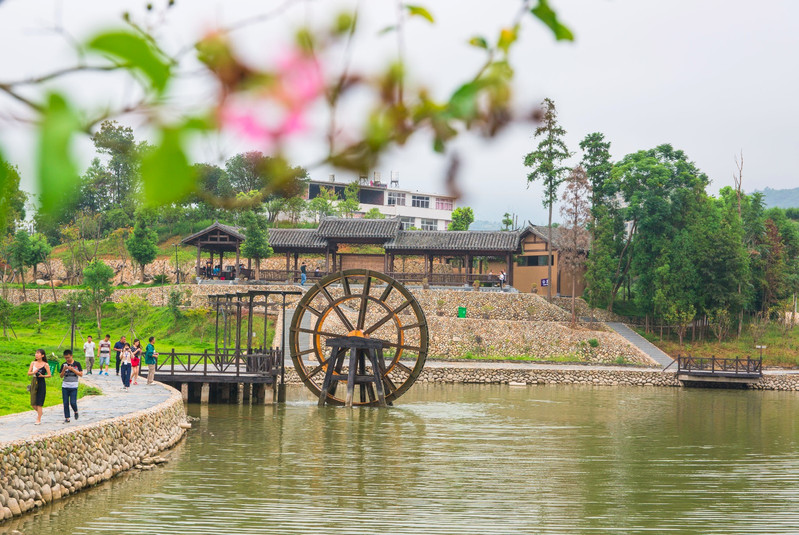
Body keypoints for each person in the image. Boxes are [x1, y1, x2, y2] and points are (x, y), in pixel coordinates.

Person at [28, 349, 51, 425]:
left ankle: (39, 419)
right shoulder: (33, 363)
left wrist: (43, 375)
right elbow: (28, 373)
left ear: (42, 355)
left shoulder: (45, 364)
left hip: (41, 382)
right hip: (34, 381)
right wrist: (33, 372)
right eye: (36, 353)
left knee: (39, 402)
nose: (36, 355)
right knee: (33, 403)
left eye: (38, 353)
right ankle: (40, 413)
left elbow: (49, 375)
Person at [60, 349, 83, 423]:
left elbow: (81, 374)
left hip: (73, 386)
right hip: (65, 386)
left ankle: (75, 411)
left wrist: (73, 370)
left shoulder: (77, 364)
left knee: (73, 402)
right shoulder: (63, 364)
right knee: (65, 402)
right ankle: (67, 418)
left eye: (68, 357)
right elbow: (61, 376)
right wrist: (64, 369)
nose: (67, 359)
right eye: (65, 358)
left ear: (71, 356)